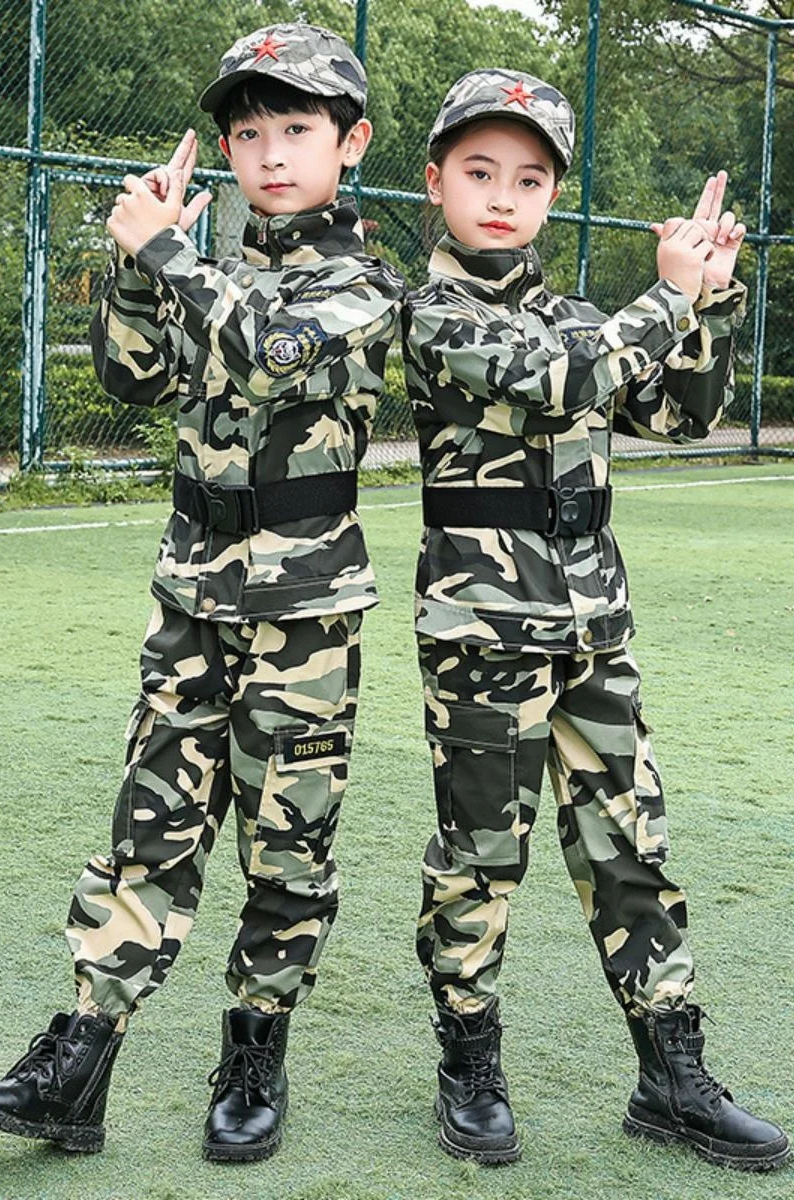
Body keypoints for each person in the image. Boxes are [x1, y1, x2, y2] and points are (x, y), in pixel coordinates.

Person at [0, 23, 403, 1162]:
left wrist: (167, 254)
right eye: (248, 133)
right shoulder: (204, 269)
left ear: (349, 143)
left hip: (306, 612)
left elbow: (275, 348)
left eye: (297, 130)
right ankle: (80, 1058)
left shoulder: (362, 281)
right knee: (149, 827)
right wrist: (135, 263)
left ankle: (254, 1050)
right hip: (190, 594)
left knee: (288, 843)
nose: (270, 153)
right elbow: (135, 376)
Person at [403, 67, 790, 1172]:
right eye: (478, 172)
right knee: (481, 858)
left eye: (527, 178)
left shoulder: (581, 311)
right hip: (482, 630)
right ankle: (468, 1066)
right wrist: (665, 296)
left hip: (592, 628)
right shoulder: (430, 312)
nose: (501, 195)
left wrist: (710, 297)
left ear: (551, 196)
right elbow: (565, 376)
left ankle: (669, 1077)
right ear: (434, 183)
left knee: (632, 850)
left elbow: (676, 411)